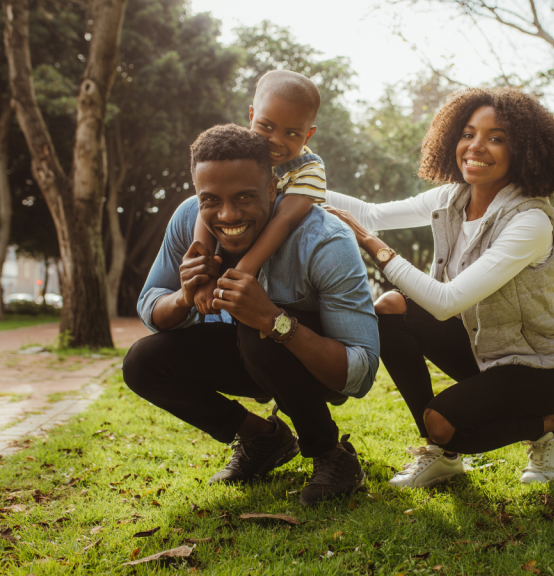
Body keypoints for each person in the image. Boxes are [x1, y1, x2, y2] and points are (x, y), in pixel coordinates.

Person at [324, 87, 554, 489]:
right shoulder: (452, 197)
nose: (475, 146)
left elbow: (446, 303)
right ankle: (440, 455)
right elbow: (370, 214)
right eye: (468, 133)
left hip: (543, 370)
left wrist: (375, 247)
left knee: (444, 422)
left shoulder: (530, 222)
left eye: (496, 138)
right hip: (484, 349)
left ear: (526, 151)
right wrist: (289, 185)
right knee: (391, 307)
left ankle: (549, 424)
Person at [123, 124, 379, 507]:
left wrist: (276, 321)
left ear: (273, 189)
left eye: (245, 197)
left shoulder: (325, 240)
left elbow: (359, 373)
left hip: (314, 366)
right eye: (211, 200)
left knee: (256, 333)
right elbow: (150, 306)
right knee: (143, 362)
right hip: (246, 354)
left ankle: (332, 456)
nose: (228, 214)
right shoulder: (188, 220)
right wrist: (183, 298)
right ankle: (264, 438)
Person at [192, 70, 327, 315]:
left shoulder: (309, 170)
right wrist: (203, 276)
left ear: (308, 133)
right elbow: (206, 209)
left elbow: (283, 221)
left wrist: (240, 275)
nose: (275, 140)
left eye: (291, 133)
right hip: (228, 247)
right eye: (266, 126)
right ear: (252, 115)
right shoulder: (237, 153)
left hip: (278, 272)